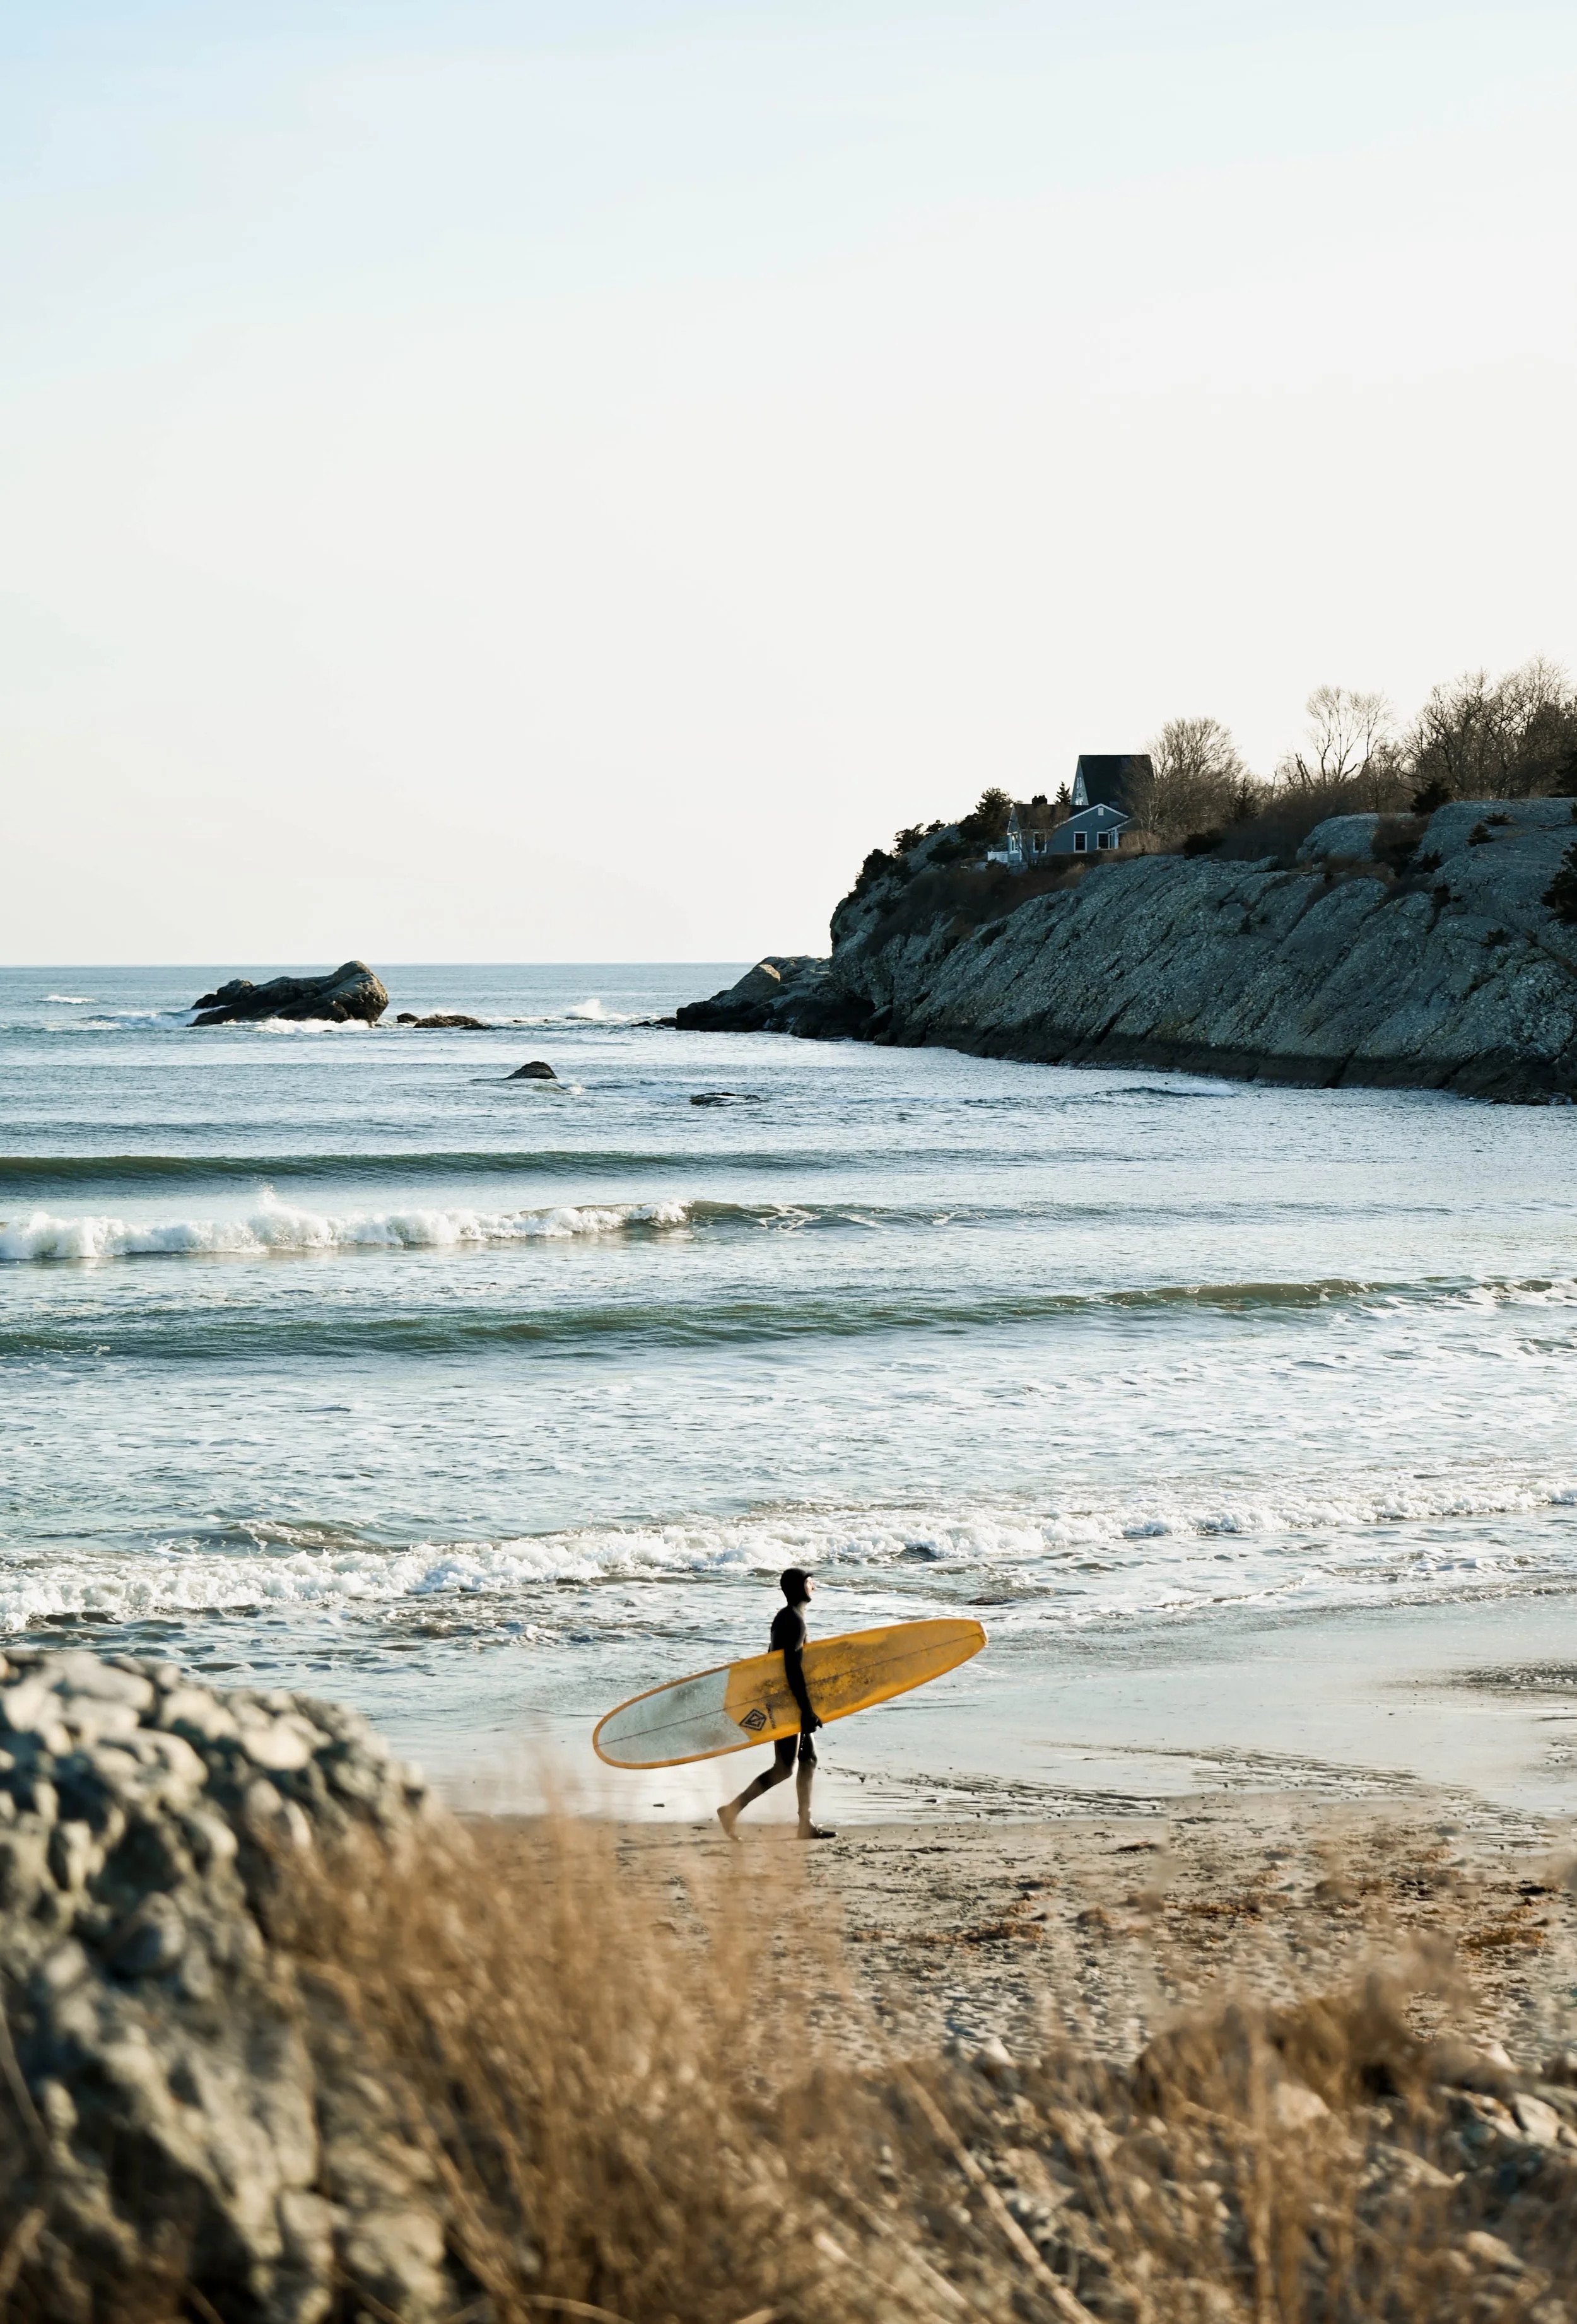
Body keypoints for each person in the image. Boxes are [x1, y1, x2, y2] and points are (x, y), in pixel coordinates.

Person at [717, 1567, 835, 1841]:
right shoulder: (793, 1621)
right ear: (799, 1589)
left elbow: (771, 1659)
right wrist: (805, 1710)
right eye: (810, 1582)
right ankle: (731, 1810)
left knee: (809, 1759)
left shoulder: (789, 1618)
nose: (814, 1586)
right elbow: (791, 1668)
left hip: (783, 1698)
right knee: (784, 1767)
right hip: (784, 1702)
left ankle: (805, 1824)